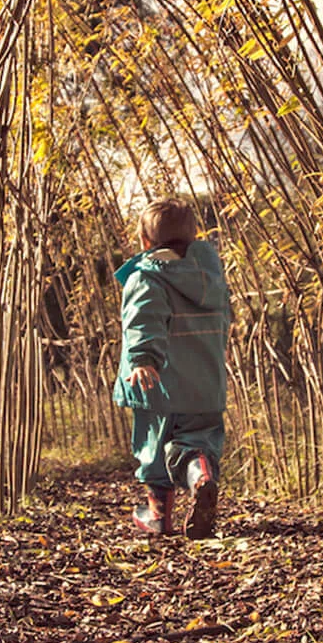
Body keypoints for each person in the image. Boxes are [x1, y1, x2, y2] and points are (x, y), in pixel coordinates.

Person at [112, 198, 232, 538]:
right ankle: (201, 475)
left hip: (160, 384)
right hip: (207, 384)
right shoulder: (210, 277)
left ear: (145, 241)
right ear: (194, 237)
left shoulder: (147, 277)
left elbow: (143, 320)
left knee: (153, 449)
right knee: (197, 441)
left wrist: (142, 359)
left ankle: (158, 516)